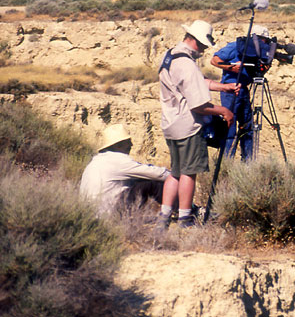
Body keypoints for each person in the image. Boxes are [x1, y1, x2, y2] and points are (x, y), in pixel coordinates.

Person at [157, 20, 237, 228]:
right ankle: (185, 218)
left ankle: (164, 217)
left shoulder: (171, 55)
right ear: (195, 41)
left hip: (170, 123)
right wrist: (224, 111)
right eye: (203, 44)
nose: (203, 49)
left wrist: (223, 88)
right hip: (188, 126)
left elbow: (195, 83)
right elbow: (199, 105)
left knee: (175, 172)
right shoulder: (187, 64)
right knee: (188, 173)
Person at [80, 124, 170, 216]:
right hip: (109, 213)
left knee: (139, 180)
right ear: (118, 145)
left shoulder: (98, 160)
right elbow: (158, 174)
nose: (131, 145)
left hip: (92, 214)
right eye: (128, 142)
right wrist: (175, 177)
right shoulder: (119, 160)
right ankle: (179, 210)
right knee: (150, 183)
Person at [210, 24, 270, 160]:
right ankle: (226, 162)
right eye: (264, 40)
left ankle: (247, 162)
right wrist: (232, 68)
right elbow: (214, 60)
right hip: (229, 90)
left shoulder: (257, 53)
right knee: (230, 128)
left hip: (244, 90)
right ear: (257, 39)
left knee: (247, 128)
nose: (265, 44)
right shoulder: (235, 47)